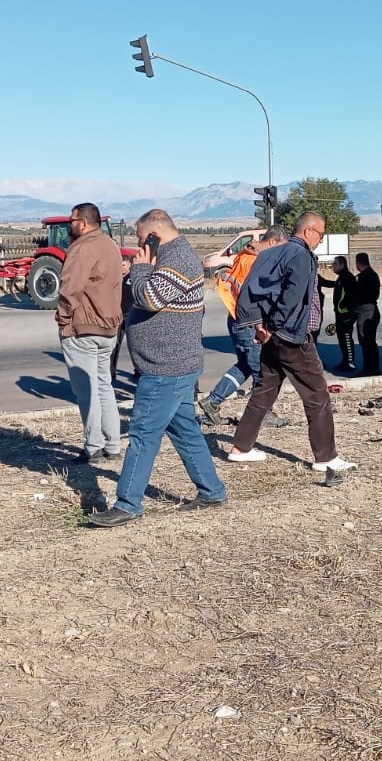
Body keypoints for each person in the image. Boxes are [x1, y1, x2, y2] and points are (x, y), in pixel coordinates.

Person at [88, 210, 227, 527]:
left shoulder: (177, 258)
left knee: (143, 434)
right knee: (185, 431)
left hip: (167, 367)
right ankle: (212, 491)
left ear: (154, 235)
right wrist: (137, 271)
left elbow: (150, 299)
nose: (139, 247)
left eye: (140, 240)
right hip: (171, 365)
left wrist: (138, 271)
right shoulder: (166, 259)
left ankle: (128, 504)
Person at [226, 211, 355, 475]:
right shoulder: (301, 255)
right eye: (320, 233)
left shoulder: (269, 253)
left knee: (265, 390)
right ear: (308, 231)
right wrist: (273, 326)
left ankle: (240, 447)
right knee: (317, 394)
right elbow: (292, 297)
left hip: (271, 334)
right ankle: (326, 458)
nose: (321, 239)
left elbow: (250, 289)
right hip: (291, 335)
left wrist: (258, 324)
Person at [198, 224, 290, 427]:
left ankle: (212, 402)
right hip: (249, 321)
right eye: (281, 247)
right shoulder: (255, 261)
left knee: (245, 365)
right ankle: (263, 413)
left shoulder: (245, 255)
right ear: (273, 241)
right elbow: (258, 296)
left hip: (238, 318)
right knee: (261, 369)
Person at [57, 203, 124, 462]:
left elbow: (69, 289)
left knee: (87, 390)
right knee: (104, 385)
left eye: (71, 221)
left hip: (83, 327)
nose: (69, 225)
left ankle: (93, 446)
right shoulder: (110, 245)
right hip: (109, 327)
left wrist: (64, 321)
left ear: (83, 223)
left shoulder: (81, 248)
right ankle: (113, 444)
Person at [320, 254, 356, 371]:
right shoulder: (340, 278)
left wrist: (343, 308)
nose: (333, 267)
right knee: (341, 339)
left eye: (335, 264)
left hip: (346, 314)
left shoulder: (348, 278)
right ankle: (345, 360)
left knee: (346, 338)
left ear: (342, 264)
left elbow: (350, 296)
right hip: (340, 314)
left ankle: (350, 362)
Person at [351, 251, 382, 375]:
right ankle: (372, 367)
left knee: (367, 341)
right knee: (369, 341)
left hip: (366, 312)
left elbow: (360, 296)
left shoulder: (363, 277)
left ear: (358, 263)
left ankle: (370, 369)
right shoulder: (373, 275)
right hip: (371, 310)